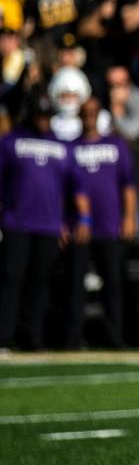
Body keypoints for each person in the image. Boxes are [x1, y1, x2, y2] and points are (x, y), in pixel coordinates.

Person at [0, 98, 90, 351]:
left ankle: (33, 337)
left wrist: (82, 218)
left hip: (49, 224)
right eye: (39, 114)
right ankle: (4, 336)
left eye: (46, 115)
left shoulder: (61, 146)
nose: (42, 119)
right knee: (11, 279)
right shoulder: (11, 142)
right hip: (17, 221)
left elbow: (76, 186)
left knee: (40, 283)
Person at [67, 97, 136, 349]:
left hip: (110, 223)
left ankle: (114, 336)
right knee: (75, 284)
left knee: (113, 283)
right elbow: (65, 190)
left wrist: (129, 217)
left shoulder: (116, 144)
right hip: (81, 227)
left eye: (93, 113)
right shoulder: (70, 147)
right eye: (84, 113)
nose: (89, 117)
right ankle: (73, 337)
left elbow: (128, 184)